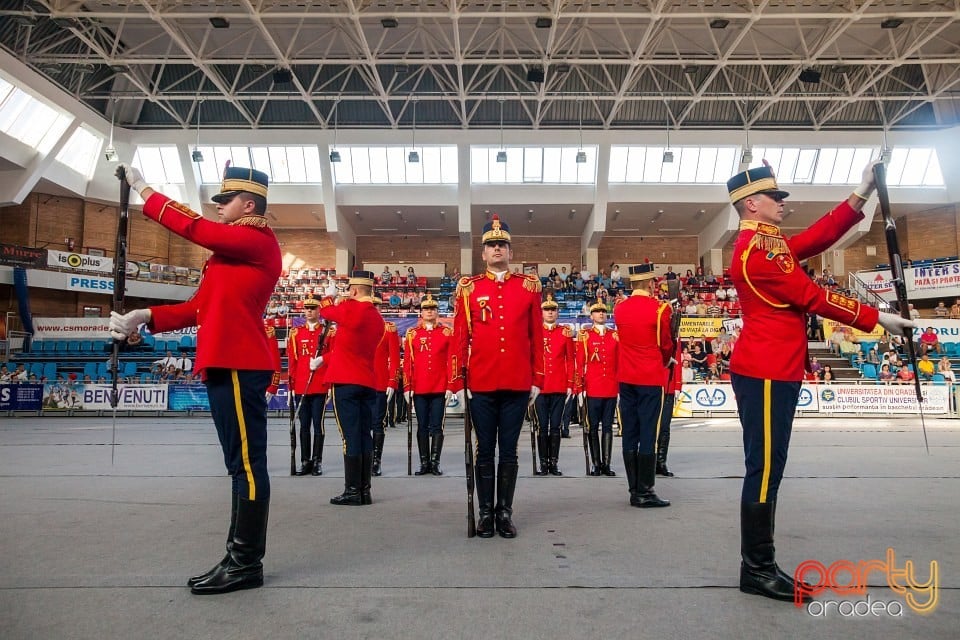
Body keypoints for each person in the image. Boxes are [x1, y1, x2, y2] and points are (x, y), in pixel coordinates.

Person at [725, 159, 914, 603]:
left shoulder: (768, 246)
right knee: (765, 470)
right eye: (775, 198)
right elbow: (811, 297)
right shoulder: (761, 253)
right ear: (752, 204)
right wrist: (878, 317)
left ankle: (760, 564)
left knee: (769, 469)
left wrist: (861, 192)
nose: (782, 205)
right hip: (766, 371)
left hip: (774, 369)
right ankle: (757, 568)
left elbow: (819, 236)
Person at [110, 163, 281, 596]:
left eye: (225, 202)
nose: (219, 208)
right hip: (226, 362)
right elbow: (196, 309)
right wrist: (143, 316)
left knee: (246, 465)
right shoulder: (228, 256)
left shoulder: (257, 239)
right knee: (237, 466)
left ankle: (246, 562)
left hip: (242, 363)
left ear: (248, 204)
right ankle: (237, 555)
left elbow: (198, 229)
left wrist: (145, 190)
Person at [449, 214, 544, 539]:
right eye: (491, 245)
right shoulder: (469, 289)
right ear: (483, 253)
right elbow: (460, 338)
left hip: (517, 382)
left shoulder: (528, 287)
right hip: (481, 382)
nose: (497, 249)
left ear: (510, 252)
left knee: (510, 450)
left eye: (502, 244)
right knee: (484, 449)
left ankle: (505, 512)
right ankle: (486, 514)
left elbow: (536, 335)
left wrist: (537, 378)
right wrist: (456, 382)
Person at [316, 271, 385, 505]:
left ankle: (353, 490)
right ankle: (365, 489)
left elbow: (325, 311)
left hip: (346, 380)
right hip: (366, 380)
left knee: (350, 437)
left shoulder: (351, 308)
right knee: (364, 435)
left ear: (354, 290)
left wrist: (329, 297)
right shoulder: (377, 317)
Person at [613, 263, 674, 507]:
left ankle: (633, 488)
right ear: (650, 284)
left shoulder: (620, 308)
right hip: (649, 376)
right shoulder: (660, 309)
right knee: (650, 432)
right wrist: (667, 358)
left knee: (630, 431)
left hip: (626, 376)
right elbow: (665, 344)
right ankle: (645, 490)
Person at [403, 294, 452, 475]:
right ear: (421, 312)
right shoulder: (412, 334)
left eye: (432, 308)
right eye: (426, 309)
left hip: (439, 387)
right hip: (420, 387)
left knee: (437, 426)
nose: (429, 311)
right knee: (422, 426)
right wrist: (407, 387)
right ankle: (424, 462)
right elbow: (408, 362)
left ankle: (435, 462)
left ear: (437, 311)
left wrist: (450, 386)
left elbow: (450, 361)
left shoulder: (446, 332)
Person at [286, 295, 330, 476]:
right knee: (304, 426)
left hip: (320, 386)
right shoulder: (296, 333)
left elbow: (332, 359)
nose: (310, 311)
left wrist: (329, 386)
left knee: (318, 426)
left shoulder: (328, 332)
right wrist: (291, 387)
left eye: (313, 308)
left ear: (319, 310)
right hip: (301, 387)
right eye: (307, 308)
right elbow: (292, 362)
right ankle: (305, 460)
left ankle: (317, 461)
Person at [574, 302, 619, 477]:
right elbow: (580, 363)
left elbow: (620, 362)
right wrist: (579, 387)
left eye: (603, 312)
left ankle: (606, 464)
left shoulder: (615, 335)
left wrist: (620, 387)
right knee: (592, 427)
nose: (600, 314)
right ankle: (595, 464)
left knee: (607, 426)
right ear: (591, 316)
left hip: (610, 387)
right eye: (597, 312)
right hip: (592, 388)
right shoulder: (585, 335)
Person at [535, 294, 575, 476]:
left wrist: (570, 384)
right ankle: (543, 463)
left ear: (558, 313)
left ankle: (554, 462)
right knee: (542, 426)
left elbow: (570, 360)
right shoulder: (535, 332)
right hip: (540, 387)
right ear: (541, 312)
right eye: (547, 310)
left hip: (559, 385)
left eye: (553, 310)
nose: (550, 313)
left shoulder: (564, 332)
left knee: (556, 426)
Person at [371, 309, 400, 477]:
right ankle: (364, 458)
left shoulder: (389, 329)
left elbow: (395, 358)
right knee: (361, 425)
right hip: (360, 381)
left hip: (379, 383)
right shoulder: (358, 327)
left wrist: (392, 381)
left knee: (377, 423)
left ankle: (376, 460)